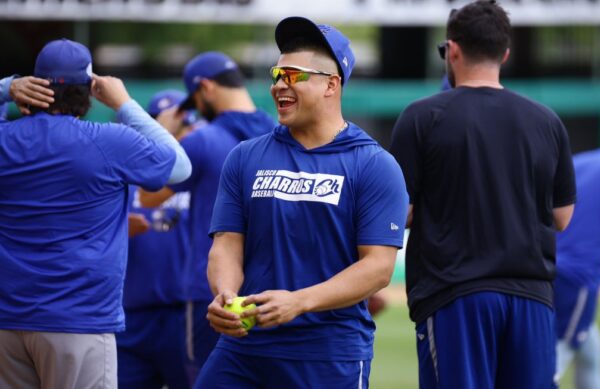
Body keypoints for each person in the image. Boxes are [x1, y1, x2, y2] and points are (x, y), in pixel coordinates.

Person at [198, 16, 408, 388]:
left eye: (292, 75)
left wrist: (299, 302)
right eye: (276, 73)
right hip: (244, 351)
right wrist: (225, 293)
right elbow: (226, 245)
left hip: (328, 355)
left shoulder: (374, 165)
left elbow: (377, 267)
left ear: (331, 85)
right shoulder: (245, 157)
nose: (279, 85)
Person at [390, 2, 576, 388]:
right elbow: (562, 217)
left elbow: (401, 212)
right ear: (504, 53)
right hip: (532, 297)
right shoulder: (546, 120)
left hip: (455, 294)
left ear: (452, 49)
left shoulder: (421, 116)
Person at [0, 39, 191, 389]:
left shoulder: (5, 139)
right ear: (89, 90)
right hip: (79, 320)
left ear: (33, 85)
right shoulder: (110, 140)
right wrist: (124, 103)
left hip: (7, 322)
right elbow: (179, 167)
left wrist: (5, 90)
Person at [139, 52, 275, 380]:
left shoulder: (203, 140)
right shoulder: (279, 133)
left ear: (205, 87)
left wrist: (165, 133)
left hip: (213, 293)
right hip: (273, 292)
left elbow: (147, 193)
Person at [117, 90, 197, 389]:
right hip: (130, 313)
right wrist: (114, 228)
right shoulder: (124, 170)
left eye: (180, 124)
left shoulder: (201, 173)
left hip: (183, 311)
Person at [553, 147, 600, 389]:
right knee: (554, 359)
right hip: (575, 278)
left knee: (590, 349)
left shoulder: (583, 161)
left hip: (539, 264)